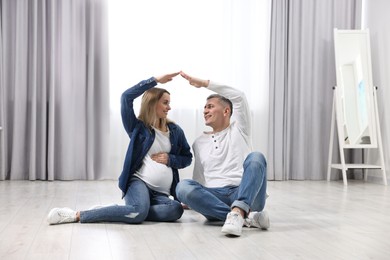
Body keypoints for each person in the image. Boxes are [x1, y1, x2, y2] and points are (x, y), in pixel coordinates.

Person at [47, 72, 193, 225]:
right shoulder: (138, 128)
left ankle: (122, 211)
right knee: (138, 213)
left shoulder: (175, 131)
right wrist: (155, 80)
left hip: (161, 193)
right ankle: (77, 215)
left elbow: (187, 157)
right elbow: (126, 97)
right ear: (152, 103)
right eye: (165, 102)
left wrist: (171, 159)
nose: (169, 107)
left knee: (175, 210)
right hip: (139, 182)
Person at [176, 71, 269, 237]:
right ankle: (245, 217)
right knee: (182, 187)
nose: (205, 110)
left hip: (245, 192)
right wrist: (192, 199)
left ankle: (240, 210)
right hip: (215, 197)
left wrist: (204, 83)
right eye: (204, 107)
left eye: (210, 106)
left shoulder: (240, 129)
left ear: (226, 111)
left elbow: (239, 97)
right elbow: (199, 178)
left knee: (257, 157)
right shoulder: (199, 142)